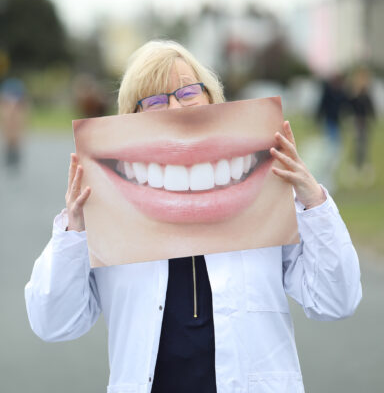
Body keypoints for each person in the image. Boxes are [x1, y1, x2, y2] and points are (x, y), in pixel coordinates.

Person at [25, 40, 361, 392]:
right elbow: (53, 322)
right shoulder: (103, 214)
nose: (174, 108)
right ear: (129, 121)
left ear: (213, 100)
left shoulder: (269, 195)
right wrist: (74, 231)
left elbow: (335, 301)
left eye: (188, 93)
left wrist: (314, 203)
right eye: (153, 101)